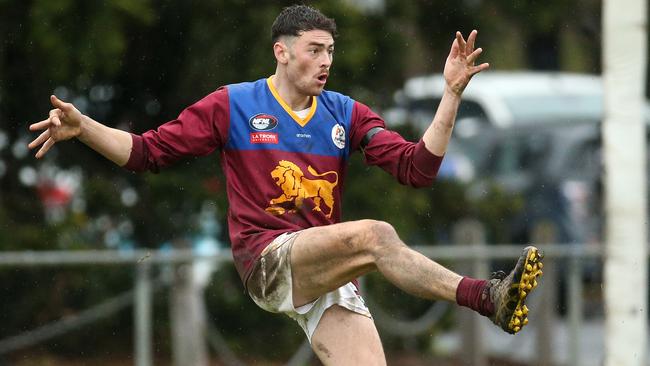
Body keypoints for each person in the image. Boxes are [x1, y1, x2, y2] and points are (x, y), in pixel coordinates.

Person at [29, 5, 543, 364]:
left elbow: (417, 169)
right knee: (376, 236)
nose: (326, 61)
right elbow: (146, 153)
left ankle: (488, 298)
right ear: (281, 51)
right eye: (315, 50)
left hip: (324, 271)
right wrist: (85, 128)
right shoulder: (233, 105)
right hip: (267, 259)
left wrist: (450, 94)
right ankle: (485, 297)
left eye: (331, 51)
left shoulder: (346, 112)